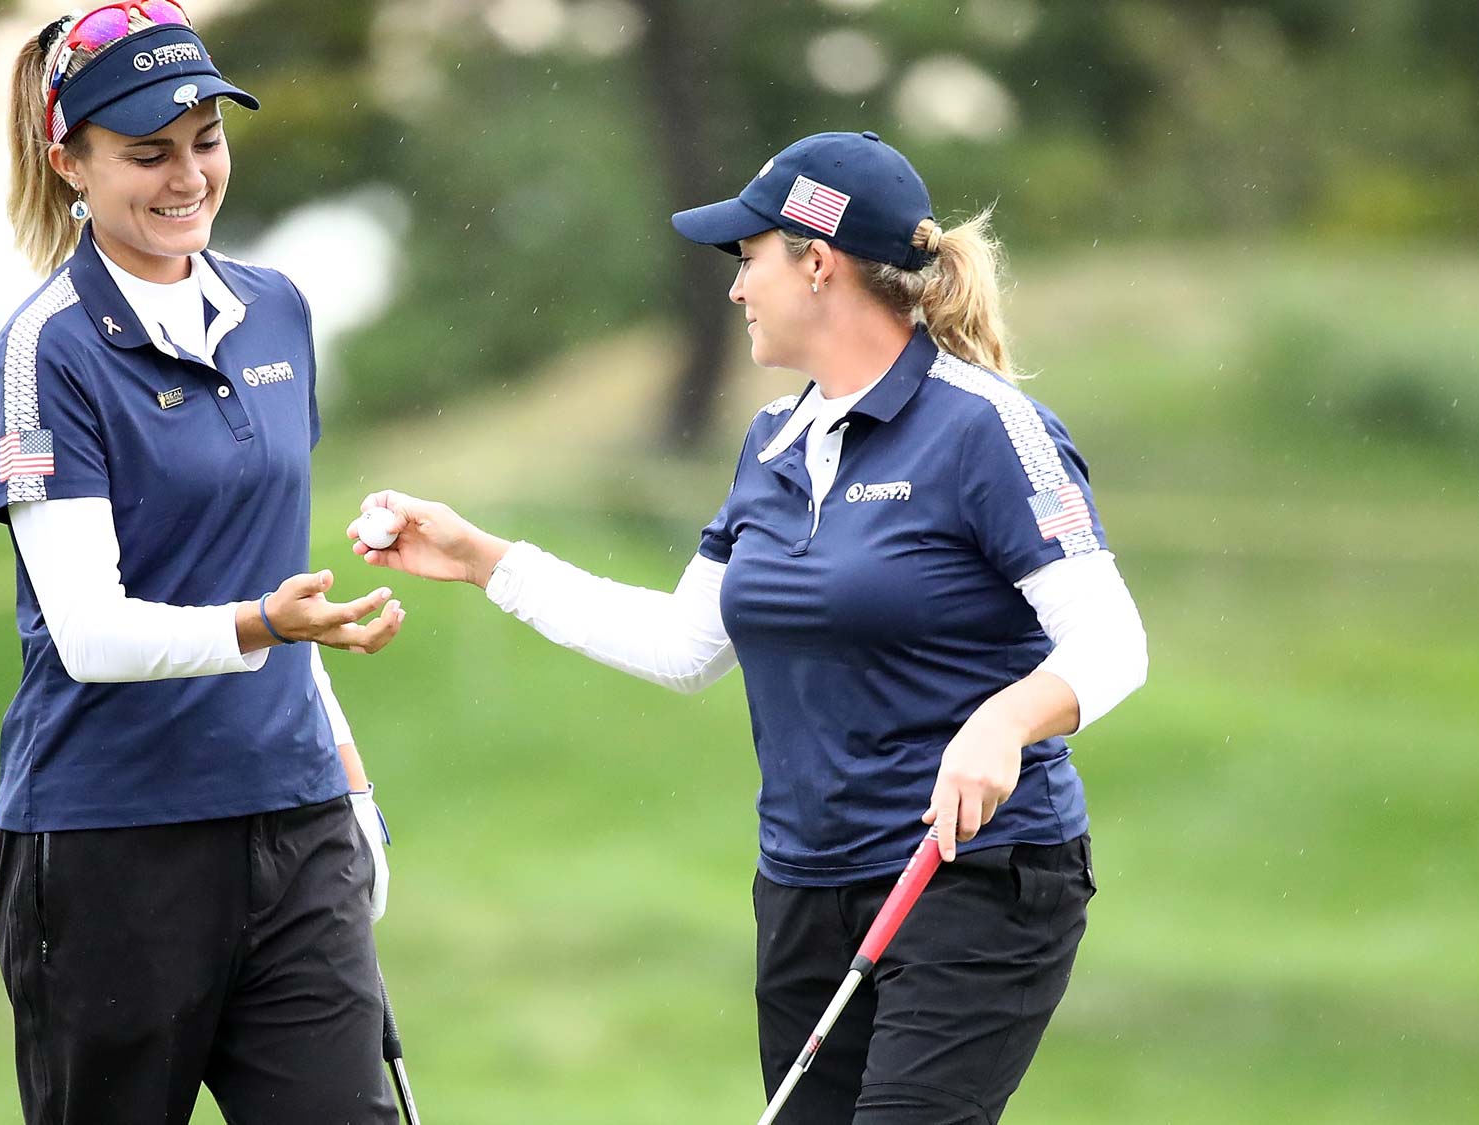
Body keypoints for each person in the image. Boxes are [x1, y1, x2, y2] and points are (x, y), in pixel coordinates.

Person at [352, 131, 1149, 1123]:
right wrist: (484, 559)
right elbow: (685, 647)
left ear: (818, 263)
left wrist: (1005, 721)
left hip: (967, 877)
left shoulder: (983, 426)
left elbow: (1111, 640)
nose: (734, 289)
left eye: (748, 258)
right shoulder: (773, 440)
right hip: (805, 890)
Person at [0, 5, 404, 1122]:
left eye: (205, 141)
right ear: (69, 162)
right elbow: (92, 634)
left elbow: (277, 574)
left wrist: (350, 785)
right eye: (147, 153)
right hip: (111, 847)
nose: (187, 177)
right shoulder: (46, 351)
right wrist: (264, 623)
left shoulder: (277, 312)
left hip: (294, 818)